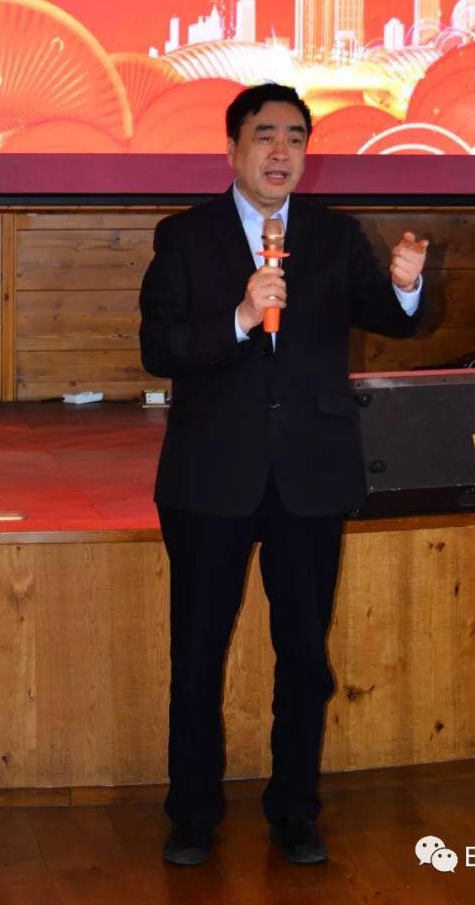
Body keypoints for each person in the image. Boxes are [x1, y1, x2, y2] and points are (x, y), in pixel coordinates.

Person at [138, 83, 428, 868]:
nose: (281, 152)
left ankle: (295, 810)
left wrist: (405, 284)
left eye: (296, 138)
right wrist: (240, 316)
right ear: (233, 148)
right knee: (197, 654)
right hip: (211, 476)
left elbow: (390, 316)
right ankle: (192, 813)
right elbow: (160, 348)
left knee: (304, 655)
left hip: (310, 474)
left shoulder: (335, 236)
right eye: (265, 136)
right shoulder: (185, 236)